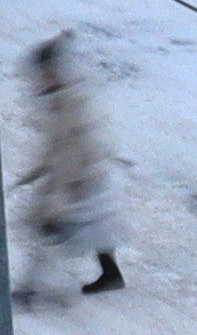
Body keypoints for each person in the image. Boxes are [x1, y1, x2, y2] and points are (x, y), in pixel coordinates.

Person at [20, 28, 123, 297]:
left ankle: (31, 287)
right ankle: (111, 273)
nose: (36, 79)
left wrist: (63, 188)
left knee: (49, 230)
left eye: (40, 73)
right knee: (92, 230)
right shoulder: (63, 96)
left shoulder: (67, 101)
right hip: (82, 177)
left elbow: (73, 146)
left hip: (78, 179)